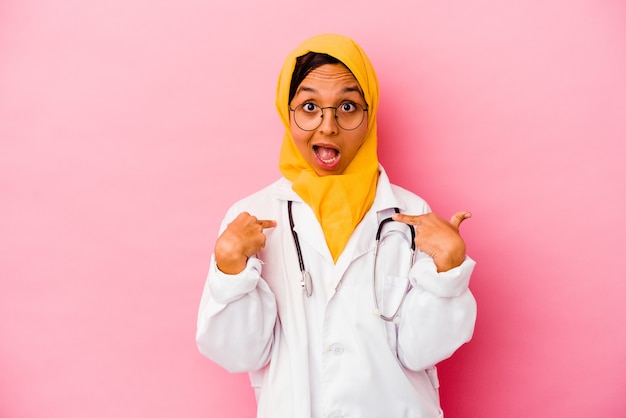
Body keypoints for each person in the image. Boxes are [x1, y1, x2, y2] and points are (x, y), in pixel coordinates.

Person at [196, 33, 477, 418]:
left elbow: (422, 351)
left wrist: (449, 271)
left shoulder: (411, 214)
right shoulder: (250, 218)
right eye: (309, 106)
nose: (328, 126)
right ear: (286, 110)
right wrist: (230, 270)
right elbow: (239, 353)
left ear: (369, 112)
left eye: (347, 106)